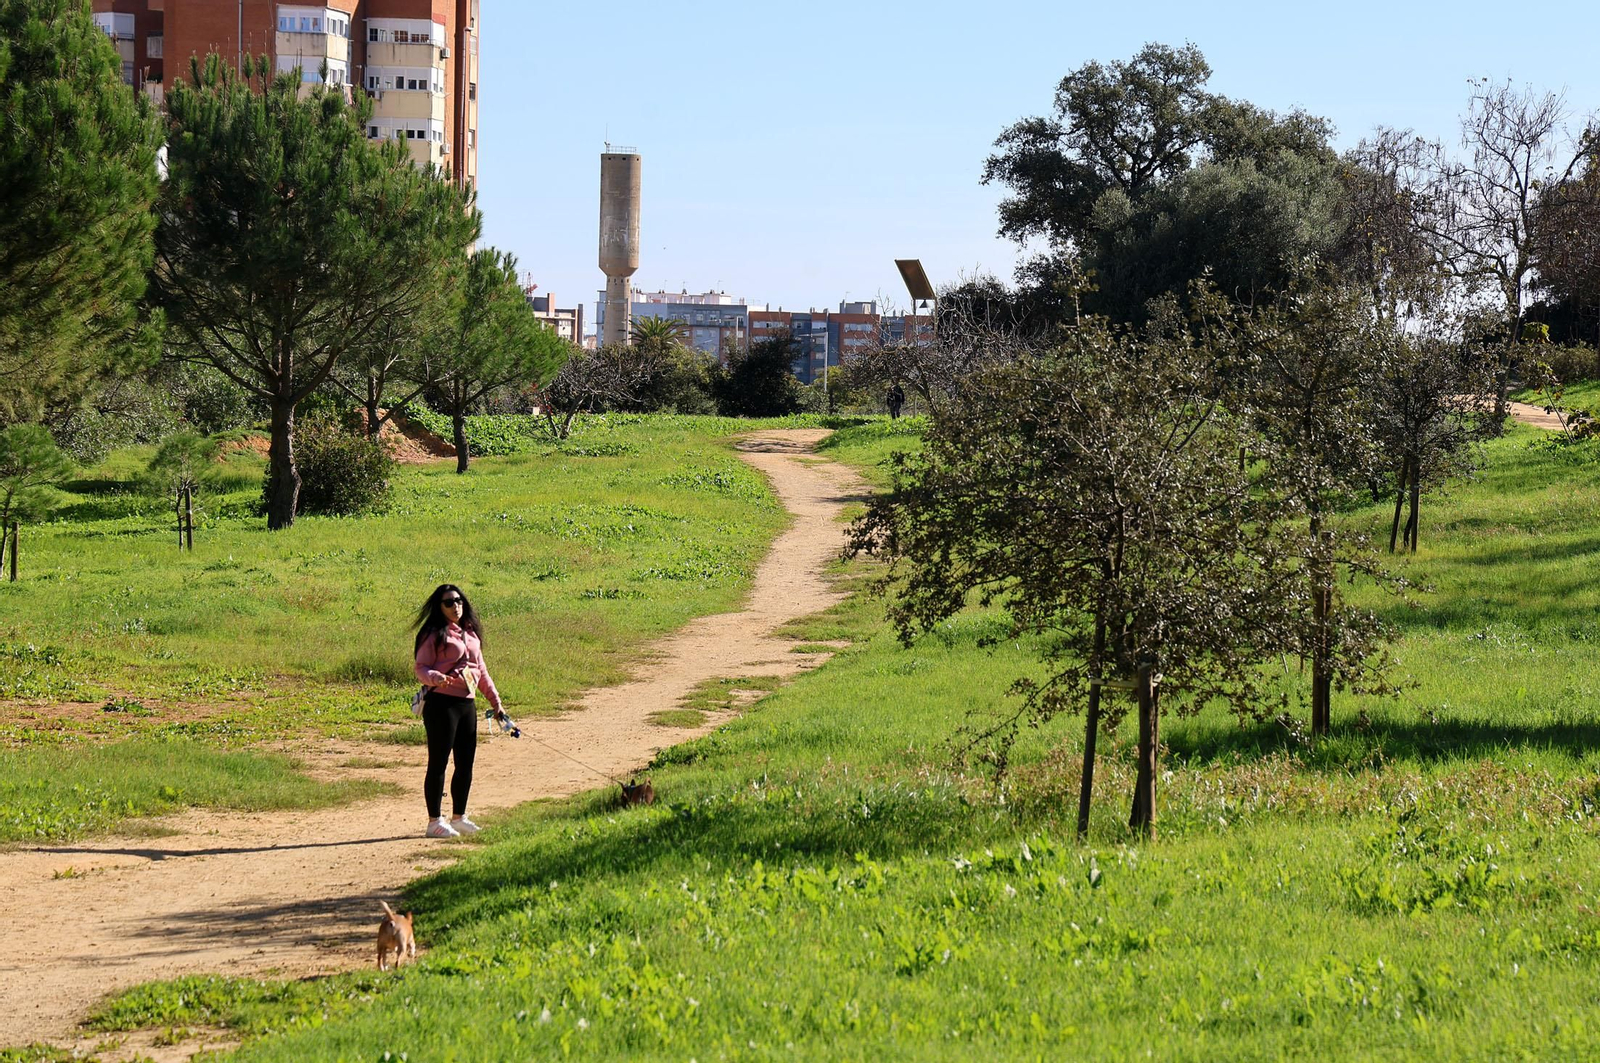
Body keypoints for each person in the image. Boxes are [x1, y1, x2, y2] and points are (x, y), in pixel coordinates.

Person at [412, 583, 503, 838]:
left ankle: (459, 816)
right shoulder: (433, 633)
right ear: (439, 607)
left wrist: (496, 703)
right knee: (438, 762)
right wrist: (434, 677)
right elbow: (420, 667)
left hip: (466, 704)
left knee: (465, 763)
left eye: (459, 601)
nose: (456, 606)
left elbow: (481, 670)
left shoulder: (471, 632)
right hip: (442, 704)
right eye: (449, 602)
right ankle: (434, 822)